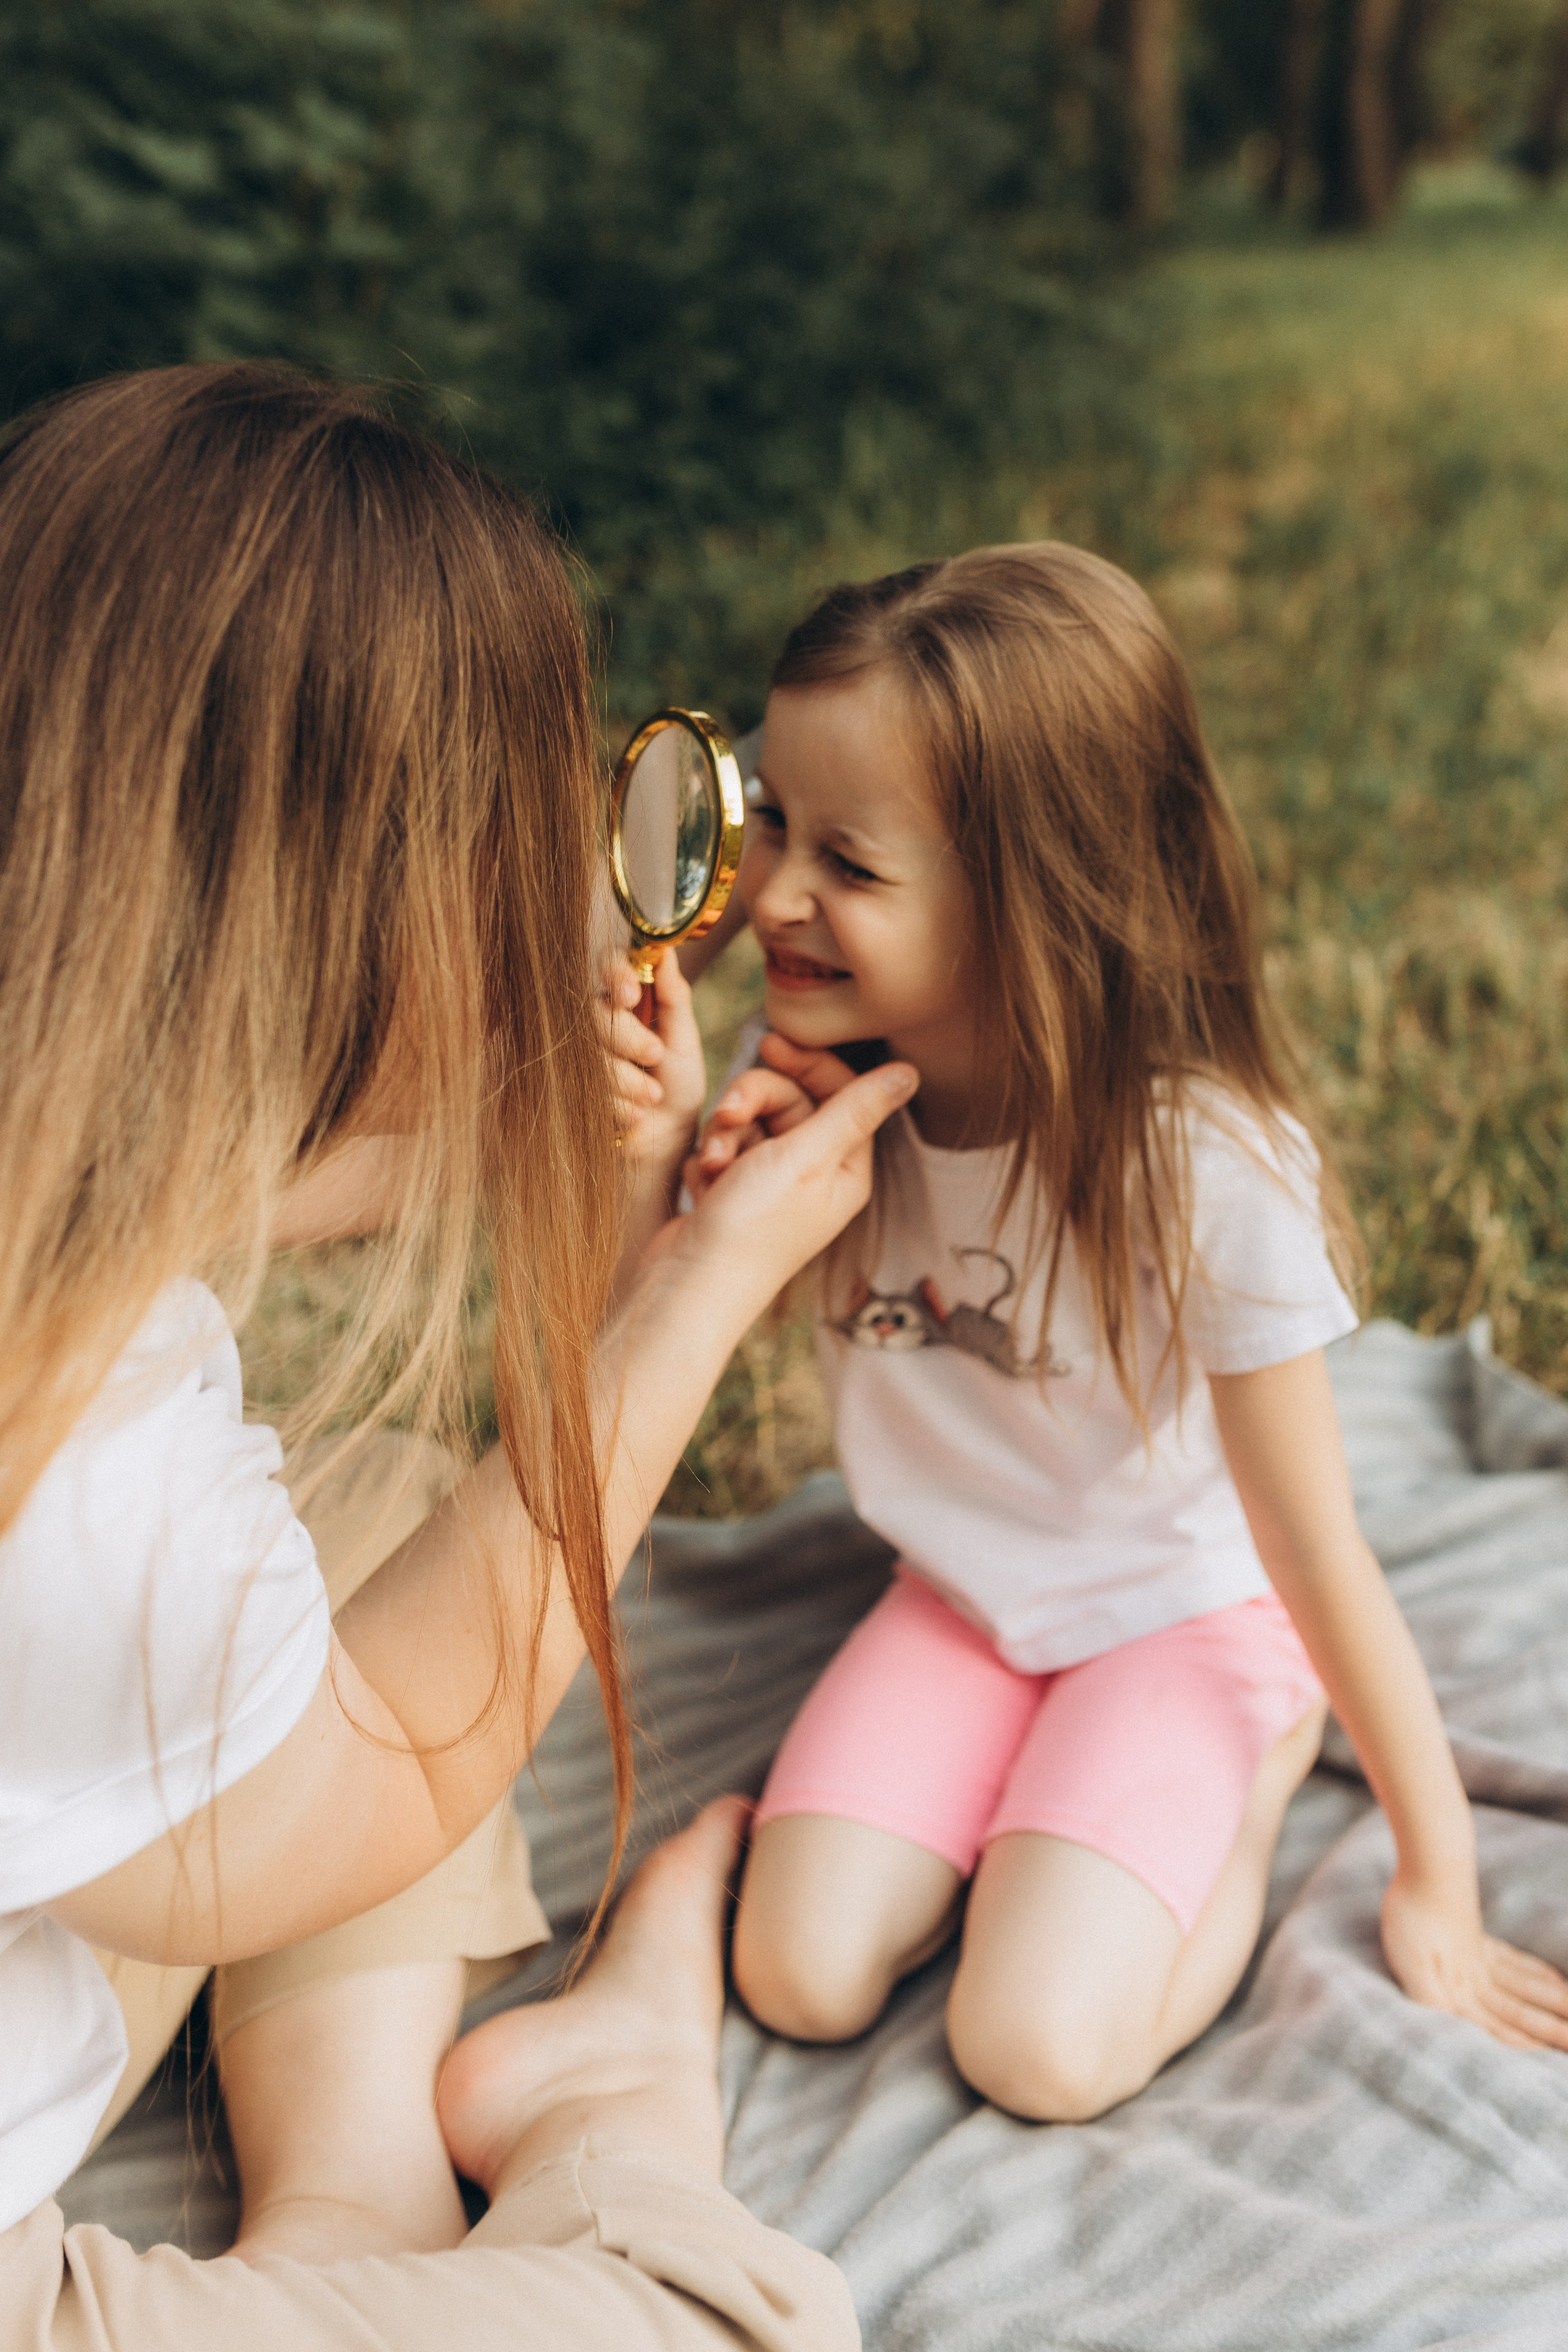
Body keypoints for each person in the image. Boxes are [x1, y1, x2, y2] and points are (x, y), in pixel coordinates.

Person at [0, 361, 918, 2347]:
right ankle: (610, 2111)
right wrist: (688, 1297)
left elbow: (206, 1184)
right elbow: (384, 1776)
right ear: (352, 910)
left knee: (377, 1504)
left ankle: (348, 2203)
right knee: (724, 2329)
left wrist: (584, 1152)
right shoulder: (75, 1448)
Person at [641, 543, 1568, 2122]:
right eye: (771, 821)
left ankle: (1255, 1771)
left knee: (1039, 2055)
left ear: (1033, 893)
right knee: (798, 1974)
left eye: (850, 866)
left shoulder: (1204, 1164)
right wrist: (672, 1167)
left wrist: (1436, 1868)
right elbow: (631, 1348)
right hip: (960, 1595)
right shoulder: (800, 1094)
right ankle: (1071, 1803)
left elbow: (1320, 1544)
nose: (778, 894)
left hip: (1184, 1613)